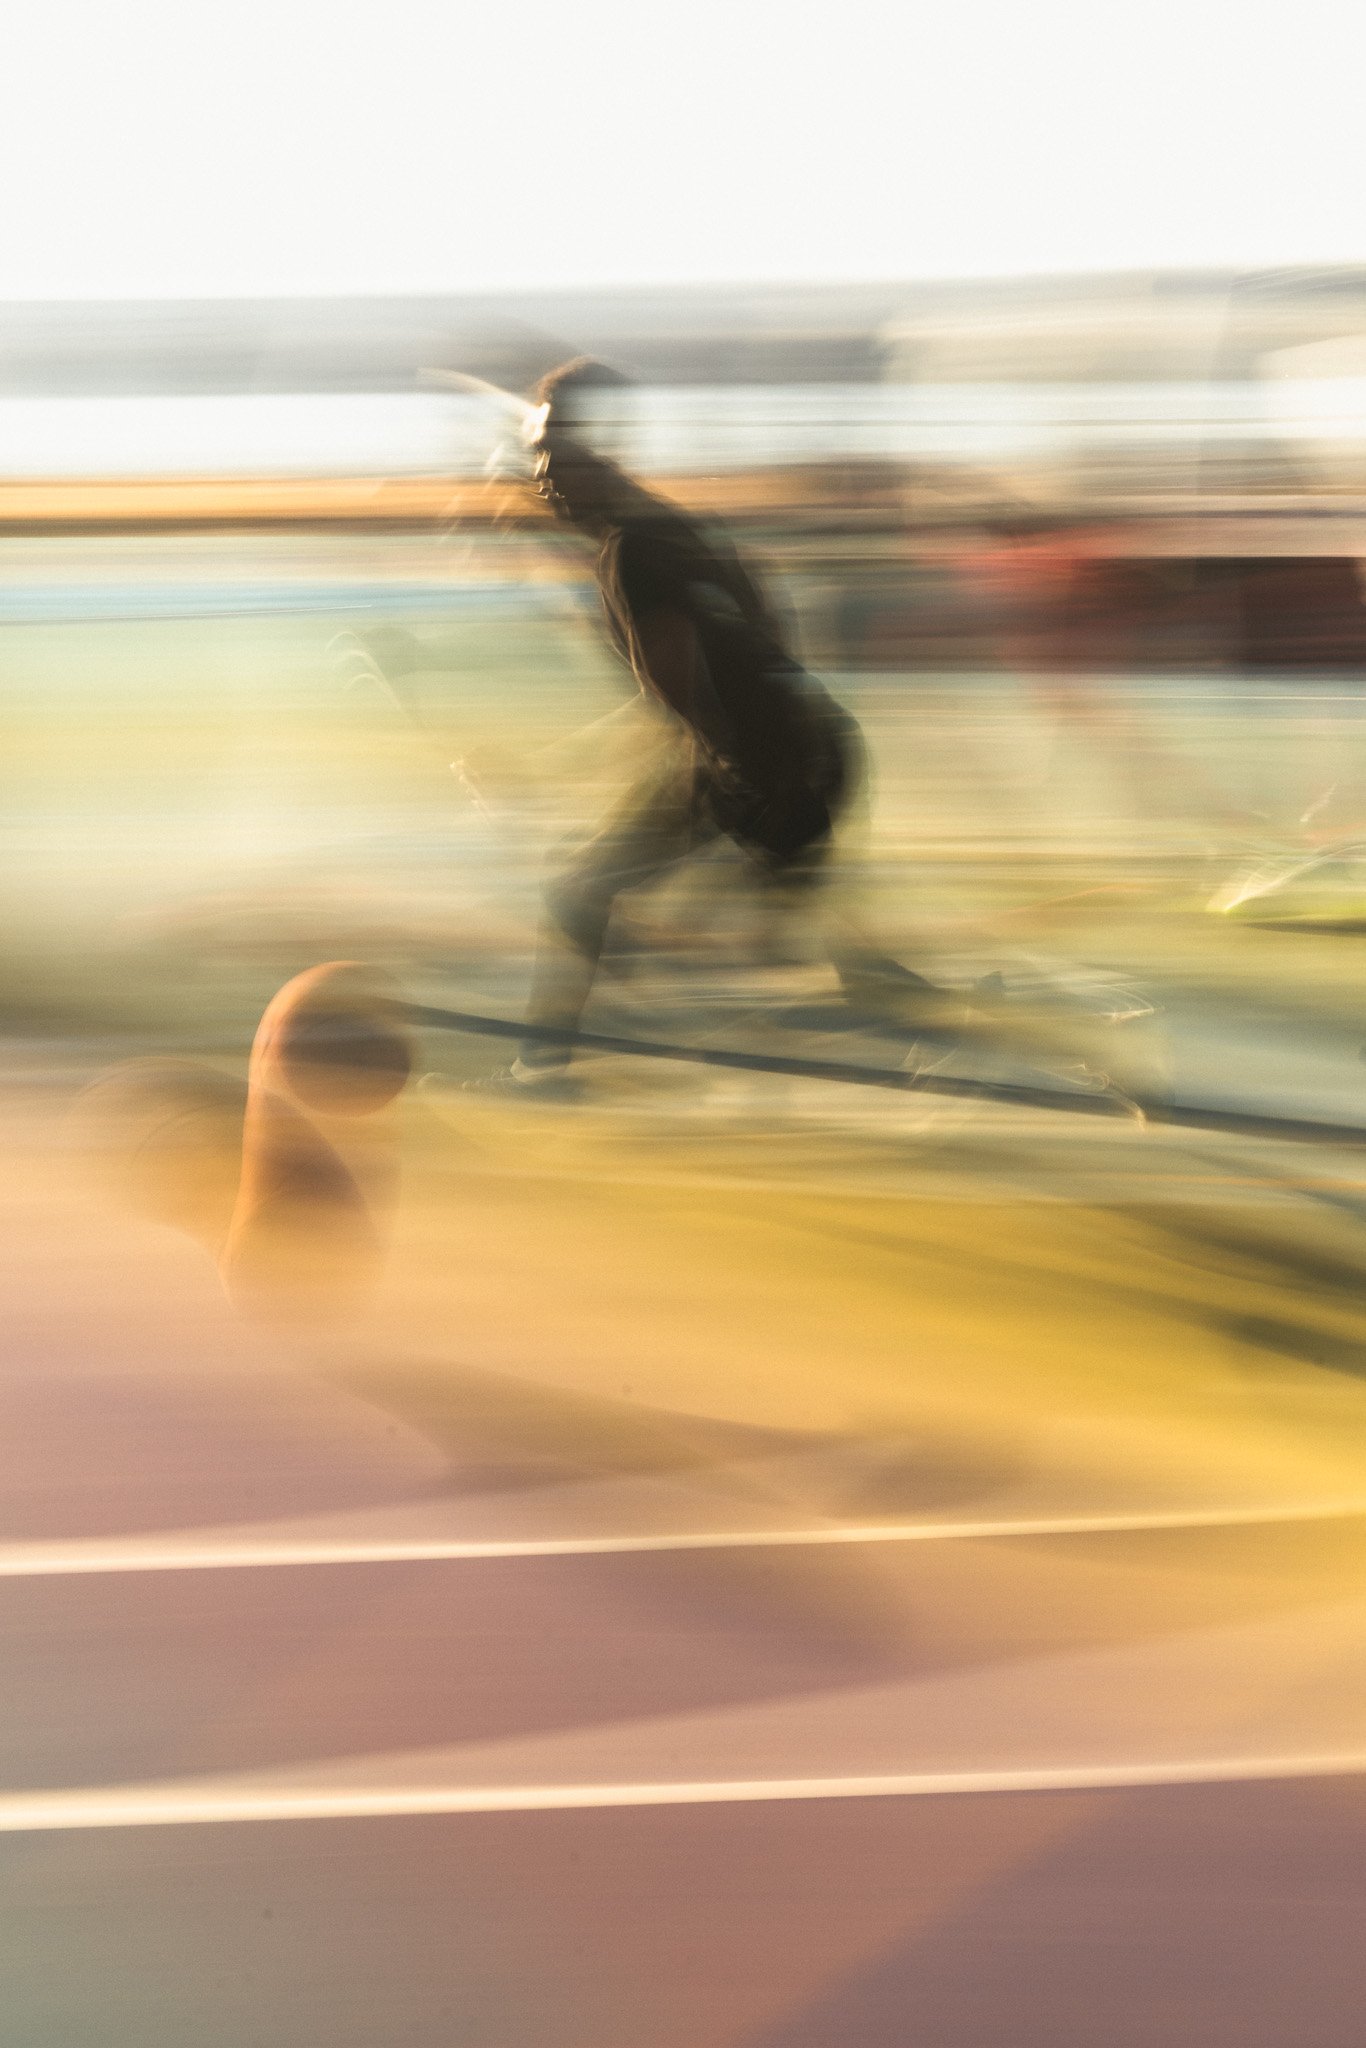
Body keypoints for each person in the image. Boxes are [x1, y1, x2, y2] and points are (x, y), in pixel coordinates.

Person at [484, 359, 943, 1093]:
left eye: (552, 454)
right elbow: (760, 637)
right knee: (816, 952)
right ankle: (993, 1034)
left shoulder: (632, 555)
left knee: (585, 896)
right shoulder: (668, 527)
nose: (539, 475)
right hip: (808, 747)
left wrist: (545, 772)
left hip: (763, 770)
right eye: (536, 455)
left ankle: (541, 1073)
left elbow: (677, 700)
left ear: (597, 450)